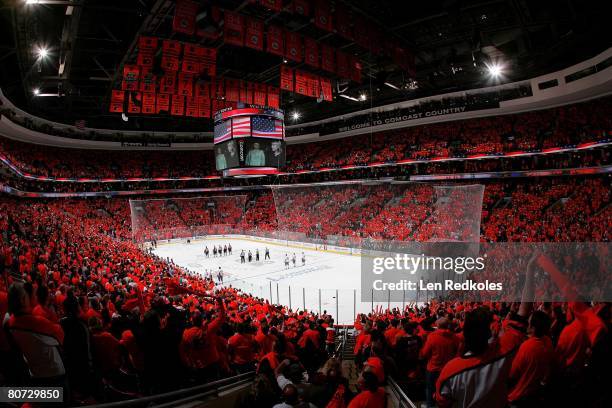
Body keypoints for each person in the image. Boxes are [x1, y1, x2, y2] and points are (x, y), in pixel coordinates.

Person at [507, 310, 554, 406]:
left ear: (533, 328)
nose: (527, 324)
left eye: (529, 323)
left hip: (520, 394)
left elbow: (513, 374)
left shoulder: (527, 346)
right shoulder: (548, 341)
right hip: (535, 391)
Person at [420, 317, 458, 407]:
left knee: (430, 389)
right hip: (448, 369)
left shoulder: (432, 337)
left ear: (437, 325)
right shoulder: (454, 337)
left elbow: (424, 353)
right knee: (446, 392)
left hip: (433, 369)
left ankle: (430, 405)